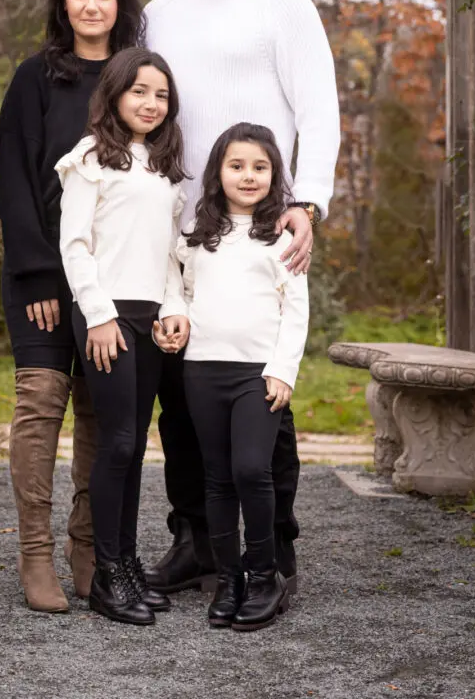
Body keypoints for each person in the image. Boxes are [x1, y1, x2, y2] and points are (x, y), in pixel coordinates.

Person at [144, 0, 340, 595]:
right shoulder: (157, 15)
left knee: (266, 400)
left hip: (264, 228)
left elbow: (319, 109)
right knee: (182, 398)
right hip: (182, 235)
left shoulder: (282, 3)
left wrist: (308, 203)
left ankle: (276, 553)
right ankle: (196, 537)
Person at [0, 0, 145, 613]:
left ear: (121, 3)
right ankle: (35, 555)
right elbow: (13, 181)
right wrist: (38, 278)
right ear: (63, 4)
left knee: (97, 412)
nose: (91, 5)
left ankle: (89, 550)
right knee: (42, 403)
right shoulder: (35, 79)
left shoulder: (133, 82)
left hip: (112, 283)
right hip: (43, 279)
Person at [155, 122, 308, 632]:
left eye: (260, 167)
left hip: (257, 377)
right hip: (202, 371)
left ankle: (265, 576)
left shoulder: (283, 240)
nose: (248, 176)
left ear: (274, 175)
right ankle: (229, 579)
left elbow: (296, 312)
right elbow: (175, 287)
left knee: (250, 470)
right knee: (216, 478)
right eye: (237, 165)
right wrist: (173, 321)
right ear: (218, 173)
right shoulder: (198, 238)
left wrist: (282, 371)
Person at [55, 48, 189, 626]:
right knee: (115, 443)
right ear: (113, 94)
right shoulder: (89, 159)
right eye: (139, 91)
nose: (150, 103)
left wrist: (175, 307)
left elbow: (167, 256)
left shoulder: (163, 169)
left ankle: (129, 563)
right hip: (106, 316)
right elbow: (75, 245)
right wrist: (99, 315)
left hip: (149, 318)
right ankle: (107, 575)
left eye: (161, 94)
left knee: (135, 445)